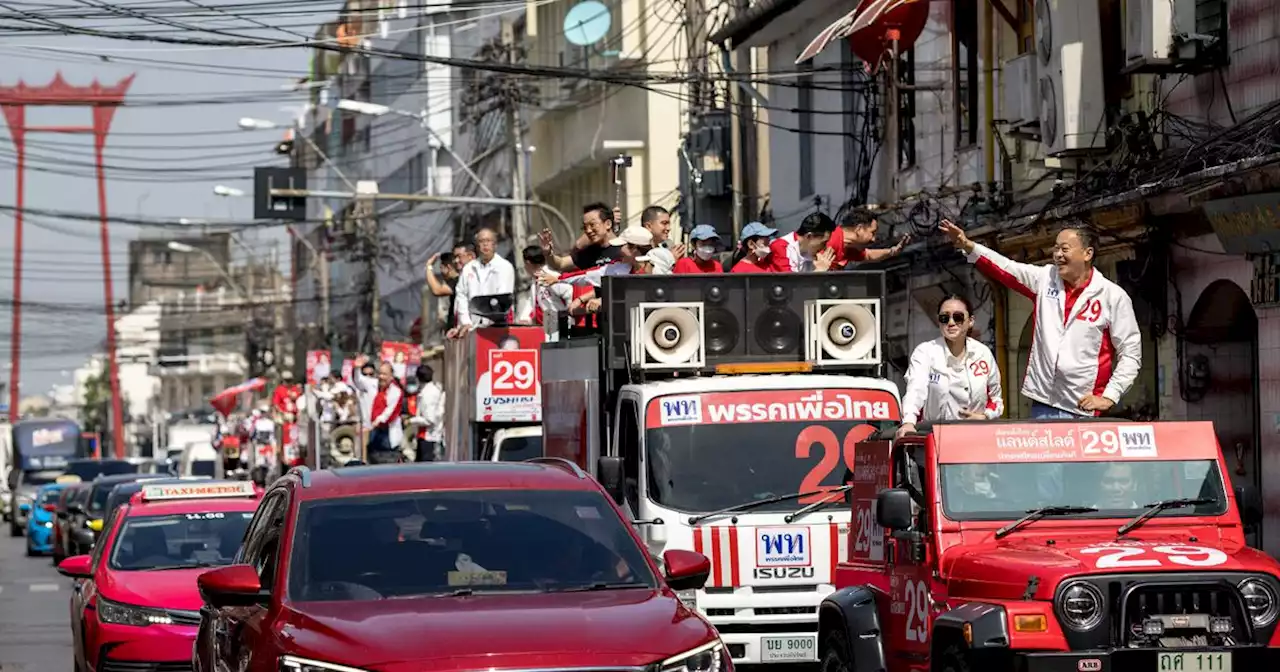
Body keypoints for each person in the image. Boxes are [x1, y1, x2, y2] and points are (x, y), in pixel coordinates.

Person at [938, 219, 1141, 418]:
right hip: (1043, 405)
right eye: (1056, 249)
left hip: (1084, 411)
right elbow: (1006, 268)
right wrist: (968, 245)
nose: (1058, 255)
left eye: (1065, 249)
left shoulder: (1113, 297)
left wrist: (1109, 396)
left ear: (1087, 254)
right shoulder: (1045, 279)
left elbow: (1131, 353)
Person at [897, 295, 1003, 438]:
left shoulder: (983, 353)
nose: (951, 323)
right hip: (934, 438)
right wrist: (908, 422)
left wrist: (985, 417)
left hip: (976, 438)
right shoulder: (925, 352)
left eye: (958, 317)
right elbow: (915, 391)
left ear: (970, 321)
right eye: (944, 318)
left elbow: (995, 399)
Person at [452, 227, 516, 336]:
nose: (485, 244)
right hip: (472, 327)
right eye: (481, 241)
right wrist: (466, 322)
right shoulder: (468, 268)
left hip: (497, 326)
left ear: (495, 245)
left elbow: (502, 297)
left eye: (488, 241)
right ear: (477, 246)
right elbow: (461, 295)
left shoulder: (505, 267)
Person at [538, 203, 623, 271]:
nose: (588, 231)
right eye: (585, 227)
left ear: (608, 224)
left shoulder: (625, 249)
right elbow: (561, 264)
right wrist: (548, 253)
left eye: (592, 225)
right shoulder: (589, 252)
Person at [829, 206, 911, 268]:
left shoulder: (848, 248)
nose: (873, 239)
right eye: (872, 233)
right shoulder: (830, 241)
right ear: (859, 229)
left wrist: (893, 251)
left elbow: (868, 255)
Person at [361, 361, 404, 464]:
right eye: (380, 373)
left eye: (384, 374)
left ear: (391, 376)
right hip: (374, 432)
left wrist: (377, 421)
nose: (381, 377)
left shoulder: (395, 391)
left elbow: (390, 412)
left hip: (387, 435)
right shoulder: (376, 387)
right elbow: (358, 380)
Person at [769, 212, 838, 272]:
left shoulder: (812, 253)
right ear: (809, 236)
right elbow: (790, 284)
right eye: (823, 243)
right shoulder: (781, 247)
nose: (824, 248)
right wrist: (819, 271)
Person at [408, 364, 444, 463]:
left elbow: (429, 420)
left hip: (428, 437)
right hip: (424, 435)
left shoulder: (428, 394)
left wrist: (410, 421)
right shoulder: (428, 391)